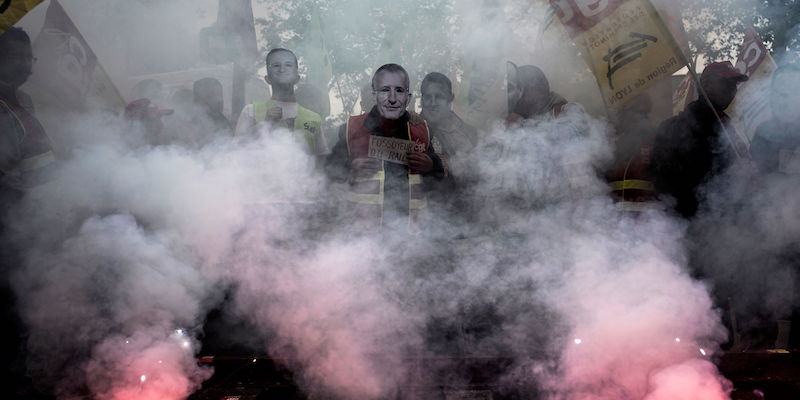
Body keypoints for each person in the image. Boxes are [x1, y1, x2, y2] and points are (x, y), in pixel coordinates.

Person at [325, 63, 445, 233]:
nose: (393, 98)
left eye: (399, 91)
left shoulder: (422, 130)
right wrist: (350, 166)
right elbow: (330, 171)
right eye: (385, 90)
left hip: (412, 237)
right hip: (362, 237)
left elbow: (441, 181)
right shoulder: (351, 128)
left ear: (408, 97)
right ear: (374, 95)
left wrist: (431, 165)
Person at [650, 61, 748, 218]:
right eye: (726, 83)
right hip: (698, 220)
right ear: (707, 85)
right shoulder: (689, 123)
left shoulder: (723, 121)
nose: (731, 89)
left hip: (724, 218)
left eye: (734, 84)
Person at [234, 48, 329, 160]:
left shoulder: (314, 118)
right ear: (267, 79)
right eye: (276, 65)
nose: (282, 69)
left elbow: (322, 160)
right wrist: (265, 125)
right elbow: (237, 153)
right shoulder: (250, 111)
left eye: (288, 65)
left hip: (303, 177)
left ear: (297, 78)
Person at [0, 27, 56, 197]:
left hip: (32, 200)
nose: (25, 64)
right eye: (16, 57)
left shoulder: (24, 99)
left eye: (29, 58)